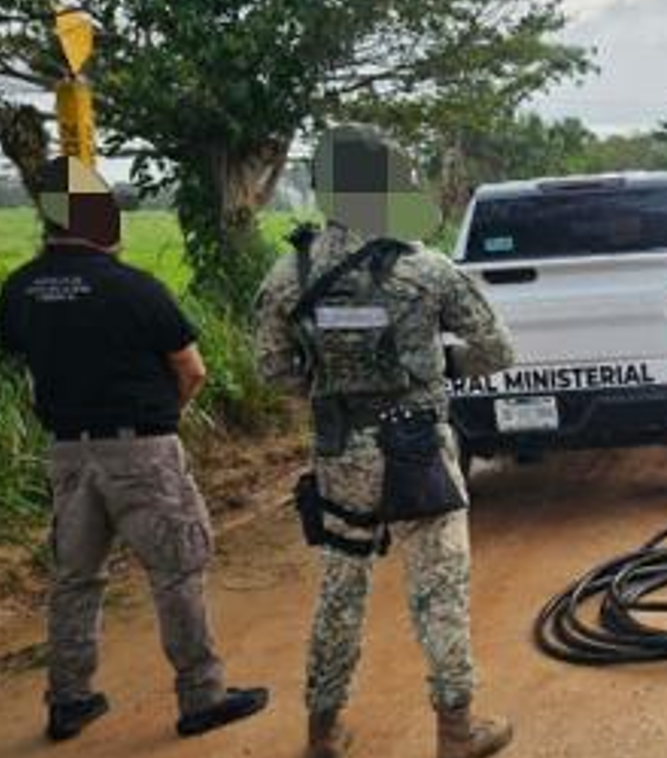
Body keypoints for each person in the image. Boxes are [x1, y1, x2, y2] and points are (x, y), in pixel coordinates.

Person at [254, 125, 516, 758]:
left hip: (340, 450)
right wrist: (440, 367)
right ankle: (456, 730)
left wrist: (327, 387)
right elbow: (496, 351)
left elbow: (273, 370)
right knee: (439, 583)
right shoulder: (426, 268)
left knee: (341, 585)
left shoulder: (290, 272)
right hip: (417, 448)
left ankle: (323, 731)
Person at [0, 157, 269, 742]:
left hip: (67, 453)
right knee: (176, 570)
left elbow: (19, 362)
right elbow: (192, 369)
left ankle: (69, 700)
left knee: (75, 578)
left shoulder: (20, 288)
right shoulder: (134, 287)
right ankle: (202, 696)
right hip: (141, 449)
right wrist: (166, 419)